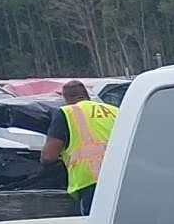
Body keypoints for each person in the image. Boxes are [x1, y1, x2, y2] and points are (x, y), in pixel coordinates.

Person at [40, 79, 120, 214]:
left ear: (66, 98)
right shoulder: (114, 110)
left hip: (91, 183)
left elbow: (48, 156)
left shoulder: (67, 112)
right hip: (121, 178)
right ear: (87, 96)